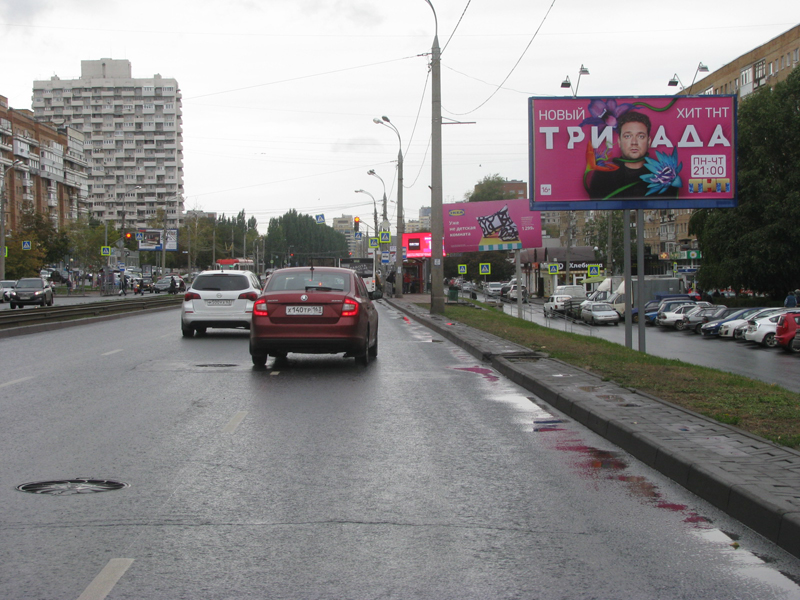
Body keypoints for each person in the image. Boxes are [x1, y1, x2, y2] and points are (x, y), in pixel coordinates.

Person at [588, 111, 652, 200]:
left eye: (640, 136)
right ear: (619, 141)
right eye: (627, 136)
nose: (634, 142)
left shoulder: (662, 175)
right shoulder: (603, 174)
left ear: (649, 141)